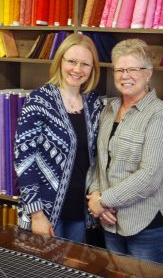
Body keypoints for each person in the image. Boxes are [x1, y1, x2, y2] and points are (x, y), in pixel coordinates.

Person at [87, 38, 163, 264]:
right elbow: (100, 161)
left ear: (148, 73)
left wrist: (103, 200)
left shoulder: (160, 116)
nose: (124, 75)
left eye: (132, 69)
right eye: (119, 69)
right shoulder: (109, 109)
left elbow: (149, 176)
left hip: (147, 224)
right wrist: (95, 197)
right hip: (111, 222)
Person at [14, 33, 103, 243]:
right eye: (71, 61)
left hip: (80, 213)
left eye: (85, 64)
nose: (77, 69)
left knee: (72, 272)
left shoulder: (94, 104)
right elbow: (24, 161)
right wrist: (36, 214)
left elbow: (98, 158)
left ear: (93, 69)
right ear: (60, 61)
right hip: (45, 212)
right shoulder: (38, 101)